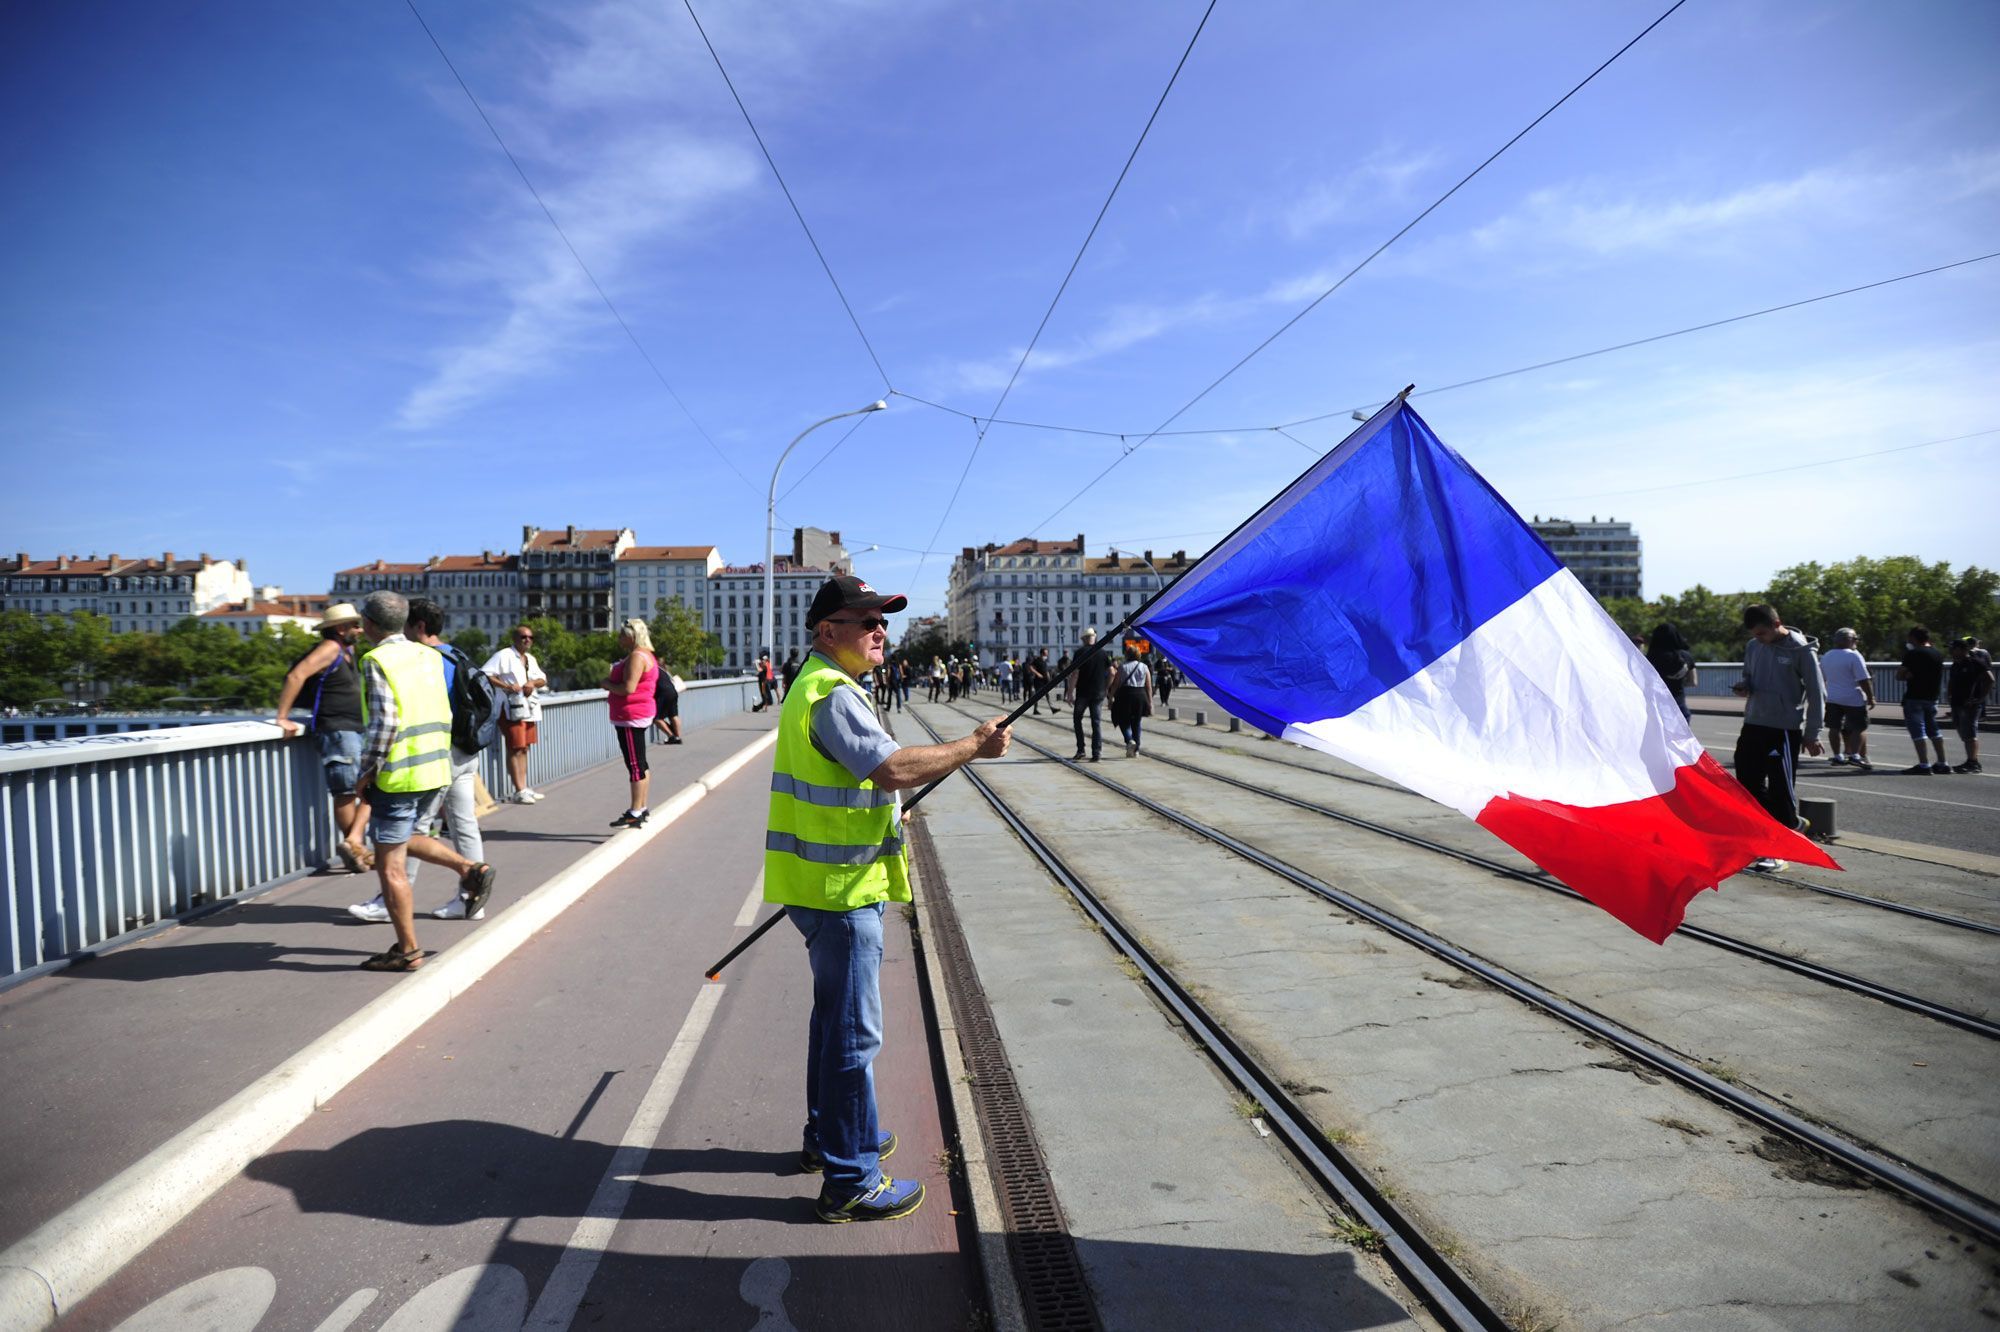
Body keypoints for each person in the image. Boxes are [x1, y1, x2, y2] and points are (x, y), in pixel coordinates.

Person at [764, 574, 1010, 1222]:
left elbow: (854, 783)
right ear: (827, 630)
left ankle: (833, 1139)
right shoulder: (832, 693)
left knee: (831, 1025)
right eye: (866, 619)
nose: (881, 630)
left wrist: (879, 813)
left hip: (820, 886)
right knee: (852, 1037)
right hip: (842, 893)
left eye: (885, 620)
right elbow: (892, 767)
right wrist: (973, 747)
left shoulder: (813, 684)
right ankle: (852, 1180)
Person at [347, 591, 496, 970]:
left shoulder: (376, 660)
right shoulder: (431, 655)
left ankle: (408, 950)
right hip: (435, 768)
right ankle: (470, 868)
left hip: (400, 773)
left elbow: (384, 724)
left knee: (391, 863)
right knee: (407, 837)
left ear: (369, 624)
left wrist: (366, 772)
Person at [405, 598, 495, 920]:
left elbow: (427, 709)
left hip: (441, 754)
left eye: (405, 625)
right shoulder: (457, 654)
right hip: (466, 752)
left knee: (414, 828)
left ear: (418, 626)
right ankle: (471, 900)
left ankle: (391, 900)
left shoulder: (426, 660)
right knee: (464, 824)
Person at [272, 602, 373, 873]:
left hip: (350, 729)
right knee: (346, 793)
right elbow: (297, 675)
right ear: (340, 629)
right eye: (354, 625)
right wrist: (282, 716)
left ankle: (356, 846)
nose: (360, 630)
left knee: (358, 789)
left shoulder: (347, 650)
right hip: (337, 730)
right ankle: (355, 850)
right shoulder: (330, 648)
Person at [1731, 603, 1825, 872]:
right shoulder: (1753, 646)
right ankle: (1789, 825)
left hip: (1783, 728)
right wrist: (1744, 686)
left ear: (1776, 624)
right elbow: (1749, 676)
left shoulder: (1801, 650)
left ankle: (1779, 849)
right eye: (1754, 634)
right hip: (1753, 722)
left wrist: (1812, 733)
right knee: (1746, 784)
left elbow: (1818, 694)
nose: (1758, 639)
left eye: (1762, 633)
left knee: (1781, 788)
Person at [484, 627, 548, 803]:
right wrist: (506, 686)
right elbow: (485, 674)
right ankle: (519, 790)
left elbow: (543, 679)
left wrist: (532, 682)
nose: (527, 640)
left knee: (525, 748)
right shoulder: (503, 655)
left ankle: (524, 787)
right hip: (510, 708)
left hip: (529, 708)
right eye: (523, 637)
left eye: (530, 637)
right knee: (515, 747)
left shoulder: (530, 659)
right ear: (514, 638)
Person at [606, 618, 659, 827]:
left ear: (631, 636)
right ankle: (642, 807)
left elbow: (627, 688)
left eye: (621, 635)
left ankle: (635, 811)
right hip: (639, 713)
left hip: (630, 716)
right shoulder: (647, 655)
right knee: (641, 763)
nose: (619, 638)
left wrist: (606, 683)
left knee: (635, 765)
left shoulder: (637, 657)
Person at [1819, 627, 1875, 771]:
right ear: (1848, 640)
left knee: (1834, 727)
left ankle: (1838, 756)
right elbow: (1864, 679)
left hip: (1832, 697)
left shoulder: (1827, 656)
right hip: (1852, 698)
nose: (1856, 641)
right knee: (1859, 726)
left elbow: (1822, 678)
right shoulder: (1854, 656)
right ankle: (1855, 755)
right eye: (1855, 638)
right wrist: (1870, 697)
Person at [1896, 626, 1949, 774]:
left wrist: (1908, 675)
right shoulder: (1937, 654)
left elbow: (1899, 675)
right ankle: (1942, 762)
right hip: (1932, 697)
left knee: (1918, 732)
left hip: (1914, 697)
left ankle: (1924, 764)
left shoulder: (1913, 654)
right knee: (1934, 731)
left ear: (1913, 638)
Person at [1945, 636, 1992, 773]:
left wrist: (1980, 698)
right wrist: (1949, 694)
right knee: (1963, 732)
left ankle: (1973, 763)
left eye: (1952, 649)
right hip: (1956, 703)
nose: (1950, 651)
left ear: (1961, 649)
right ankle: (1970, 760)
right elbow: (1952, 681)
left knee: (1970, 733)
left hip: (1969, 704)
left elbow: (1990, 679)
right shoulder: (1956, 664)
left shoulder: (1975, 662)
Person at [1644, 623, 1698, 721]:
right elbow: (1693, 682)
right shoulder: (1687, 656)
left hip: (1657, 706)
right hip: (1679, 707)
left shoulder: (1651, 658)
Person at [1071, 629, 1109, 762]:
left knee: (1077, 720)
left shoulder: (1079, 653)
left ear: (1084, 639)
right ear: (1094, 638)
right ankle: (1096, 752)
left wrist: (1070, 692)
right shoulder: (1103, 653)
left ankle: (1081, 750)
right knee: (1096, 723)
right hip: (1098, 693)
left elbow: (1075, 673)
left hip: (1082, 693)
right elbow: (1112, 672)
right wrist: (1106, 688)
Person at [1111, 646, 1153, 757]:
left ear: (1127, 655)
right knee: (1137, 722)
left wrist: (1111, 696)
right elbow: (1148, 686)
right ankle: (1136, 749)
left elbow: (1115, 684)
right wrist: (1150, 702)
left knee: (1123, 721)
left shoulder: (1122, 667)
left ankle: (1129, 740)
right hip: (1140, 695)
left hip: (1125, 695)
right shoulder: (1144, 667)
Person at [653, 663, 685, 745]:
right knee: (673, 715)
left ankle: (671, 736)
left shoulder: (651, 669)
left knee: (656, 718)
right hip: (673, 691)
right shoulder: (662, 670)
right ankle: (677, 737)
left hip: (663, 693)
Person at [1026, 648, 1052, 714]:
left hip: (1045, 680)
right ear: (1042, 653)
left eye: (1047, 653)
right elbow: (1030, 667)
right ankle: (1035, 710)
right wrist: (1037, 674)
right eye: (1045, 653)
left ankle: (1052, 708)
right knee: (1037, 695)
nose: (1047, 654)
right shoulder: (1037, 660)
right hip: (1038, 681)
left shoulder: (1044, 661)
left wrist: (1048, 677)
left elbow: (1045, 670)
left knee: (1047, 694)